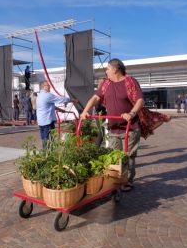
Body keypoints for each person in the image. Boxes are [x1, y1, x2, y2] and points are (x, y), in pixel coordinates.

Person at [80, 58, 145, 192]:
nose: (106, 71)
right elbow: (95, 98)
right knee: (114, 155)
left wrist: (131, 114)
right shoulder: (106, 84)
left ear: (115, 69)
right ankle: (116, 179)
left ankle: (127, 180)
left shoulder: (130, 81)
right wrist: (85, 111)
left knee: (128, 156)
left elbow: (140, 100)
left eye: (108, 68)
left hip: (130, 127)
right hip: (114, 128)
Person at [37, 81, 76, 149]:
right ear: (44, 87)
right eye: (48, 85)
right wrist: (72, 100)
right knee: (49, 139)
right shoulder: (47, 95)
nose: (50, 87)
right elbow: (60, 99)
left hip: (41, 121)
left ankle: (45, 154)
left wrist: (61, 110)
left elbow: (49, 106)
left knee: (44, 138)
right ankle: (48, 155)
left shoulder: (39, 96)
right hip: (47, 121)